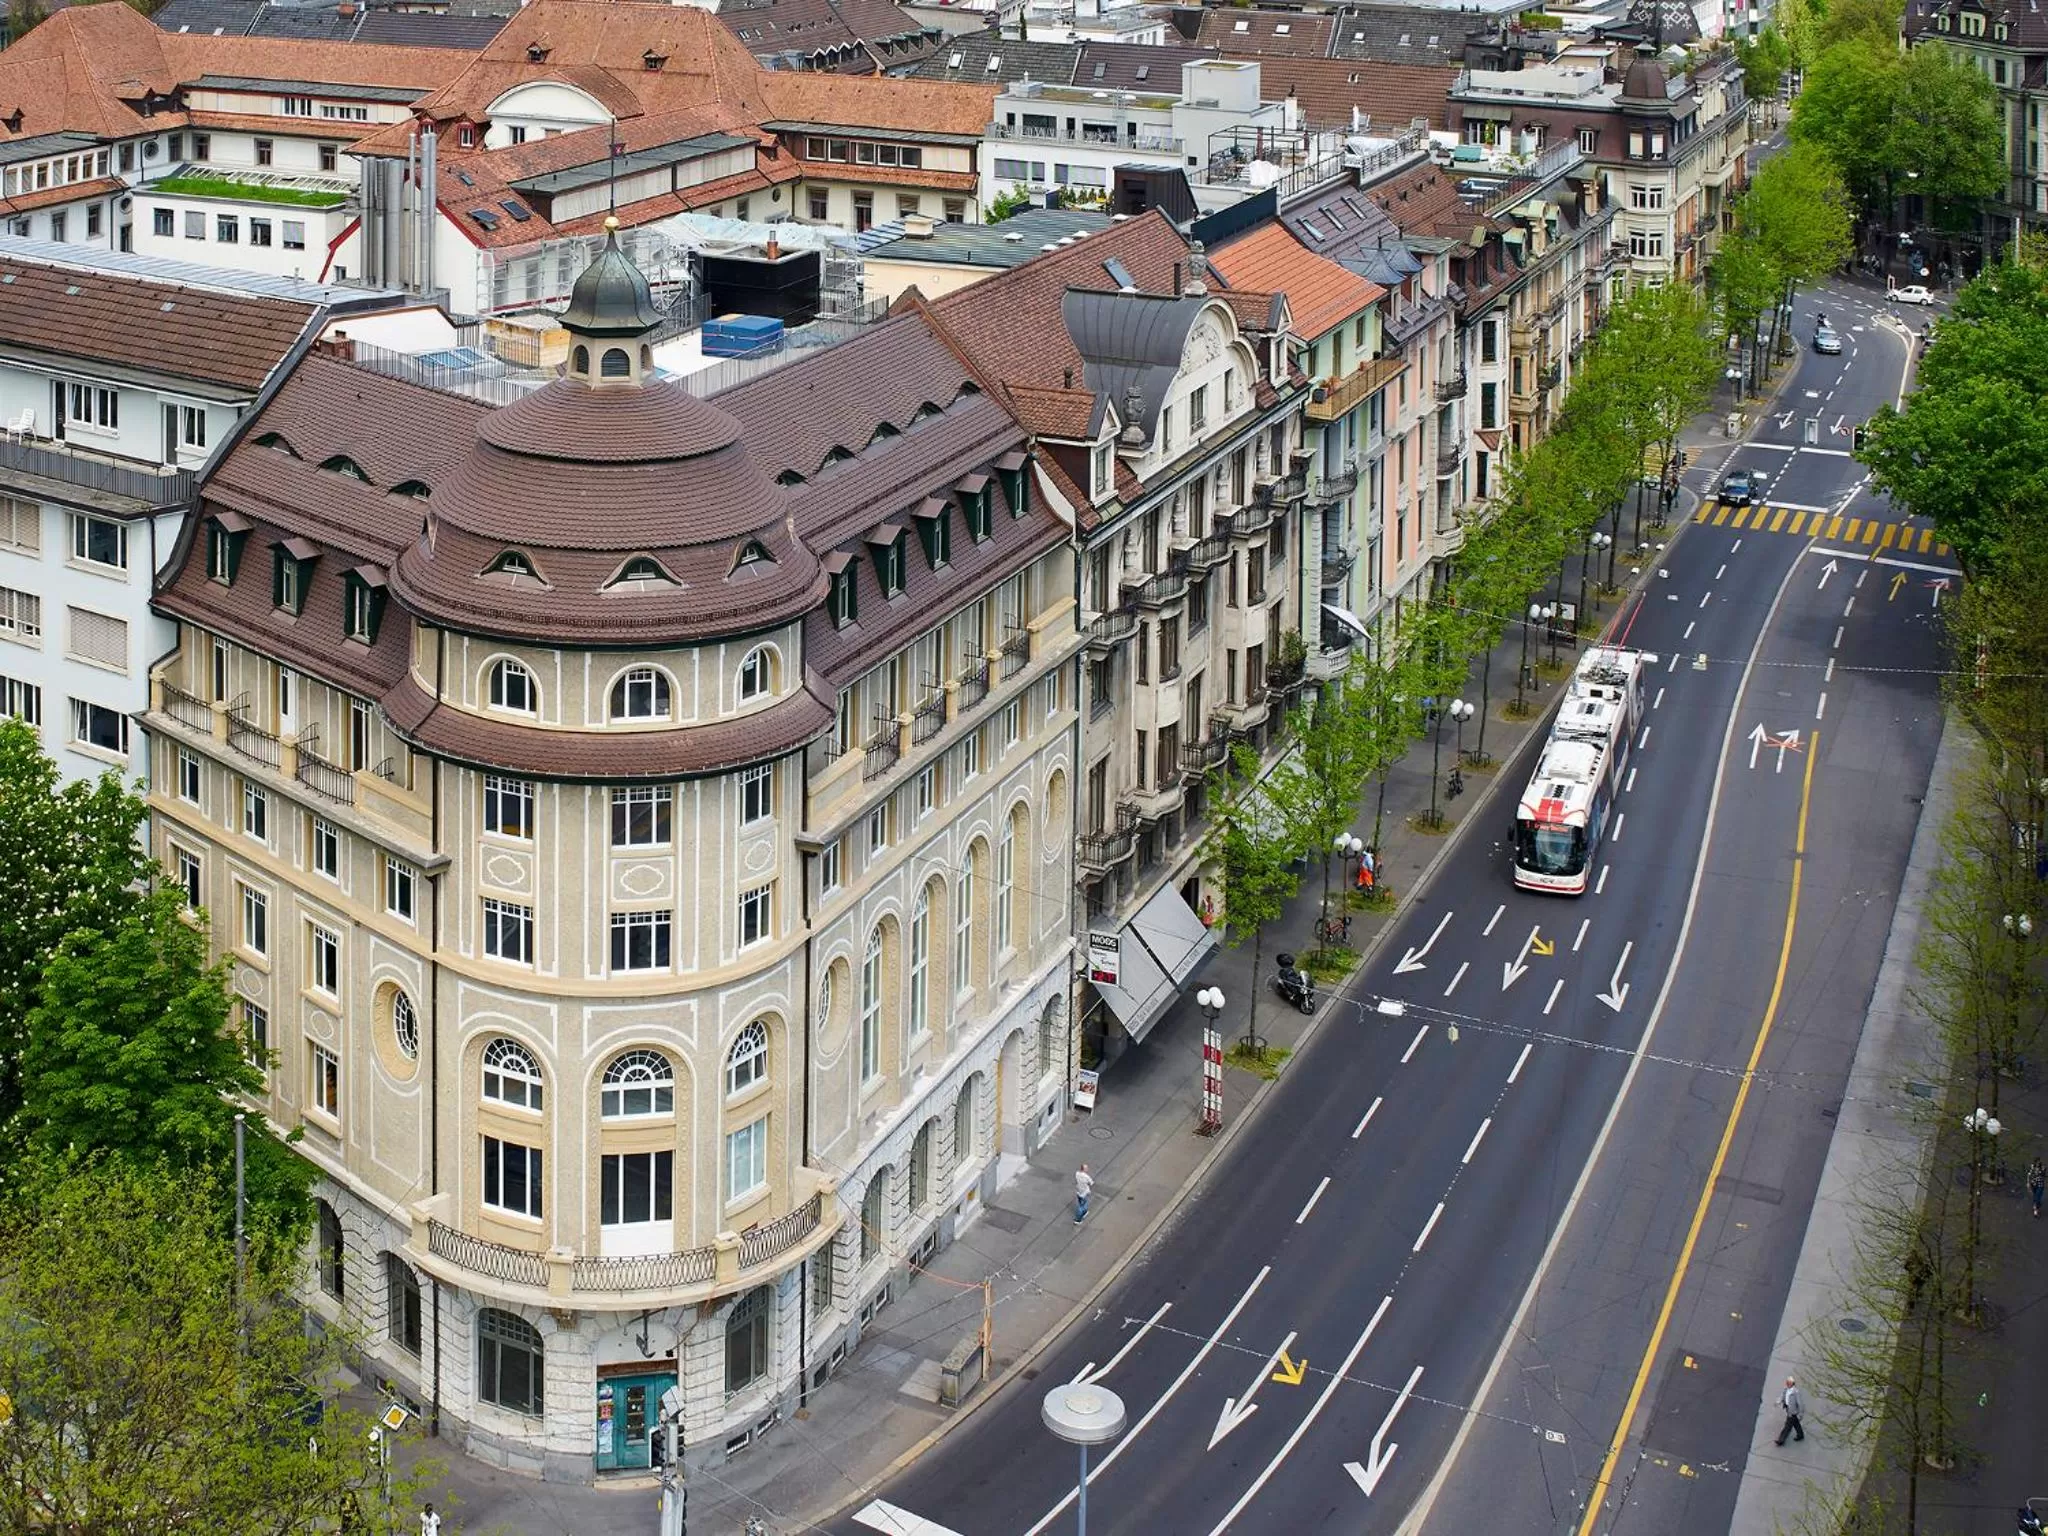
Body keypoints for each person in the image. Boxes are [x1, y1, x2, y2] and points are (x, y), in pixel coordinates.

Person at [1774, 1376, 1805, 1446]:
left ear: (1792, 1384)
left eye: (1789, 1383)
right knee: (1795, 1423)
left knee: (1787, 1426)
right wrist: (1778, 1402)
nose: (1787, 1384)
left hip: (1793, 1412)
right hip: (1788, 1409)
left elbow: (1800, 1404)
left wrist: (1801, 1414)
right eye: (1787, 1382)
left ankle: (1781, 1440)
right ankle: (1800, 1435)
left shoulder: (1796, 1393)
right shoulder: (1786, 1390)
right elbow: (1782, 1396)